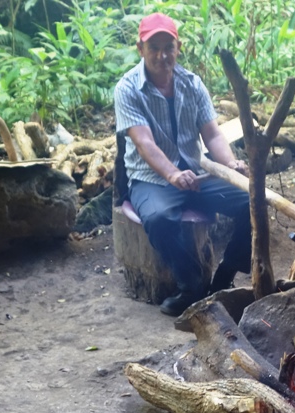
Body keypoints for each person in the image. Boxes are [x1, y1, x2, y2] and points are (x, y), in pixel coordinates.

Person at [114, 13, 251, 316]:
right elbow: (144, 143)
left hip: (197, 174)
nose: (162, 55)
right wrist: (172, 174)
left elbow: (213, 133)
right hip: (151, 179)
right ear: (140, 49)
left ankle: (224, 276)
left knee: (253, 203)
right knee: (160, 218)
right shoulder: (127, 89)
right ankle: (191, 286)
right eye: (154, 48)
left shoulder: (192, 84)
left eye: (168, 47)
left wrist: (231, 164)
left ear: (178, 47)